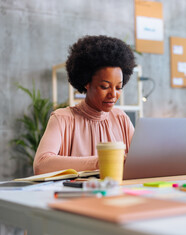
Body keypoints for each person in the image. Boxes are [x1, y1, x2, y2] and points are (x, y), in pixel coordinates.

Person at [33, 35, 136, 175]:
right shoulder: (63, 118)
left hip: (116, 194)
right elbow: (41, 164)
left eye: (118, 88)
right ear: (87, 82)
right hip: (77, 195)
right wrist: (102, 162)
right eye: (105, 87)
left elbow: (140, 161)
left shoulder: (121, 119)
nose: (113, 94)